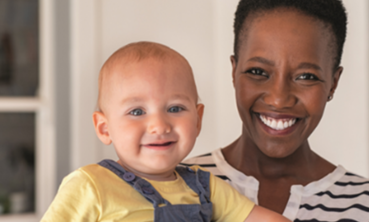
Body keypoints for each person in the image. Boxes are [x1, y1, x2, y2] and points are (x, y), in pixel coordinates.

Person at [183, 0, 369, 221]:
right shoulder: (169, 185)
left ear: (333, 83)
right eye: (258, 71)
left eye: (306, 77)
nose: (278, 100)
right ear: (234, 71)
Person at [41, 42, 290, 222]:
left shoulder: (206, 188)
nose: (159, 125)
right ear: (105, 128)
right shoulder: (90, 185)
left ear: (197, 120)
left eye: (175, 108)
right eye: (137, 111)